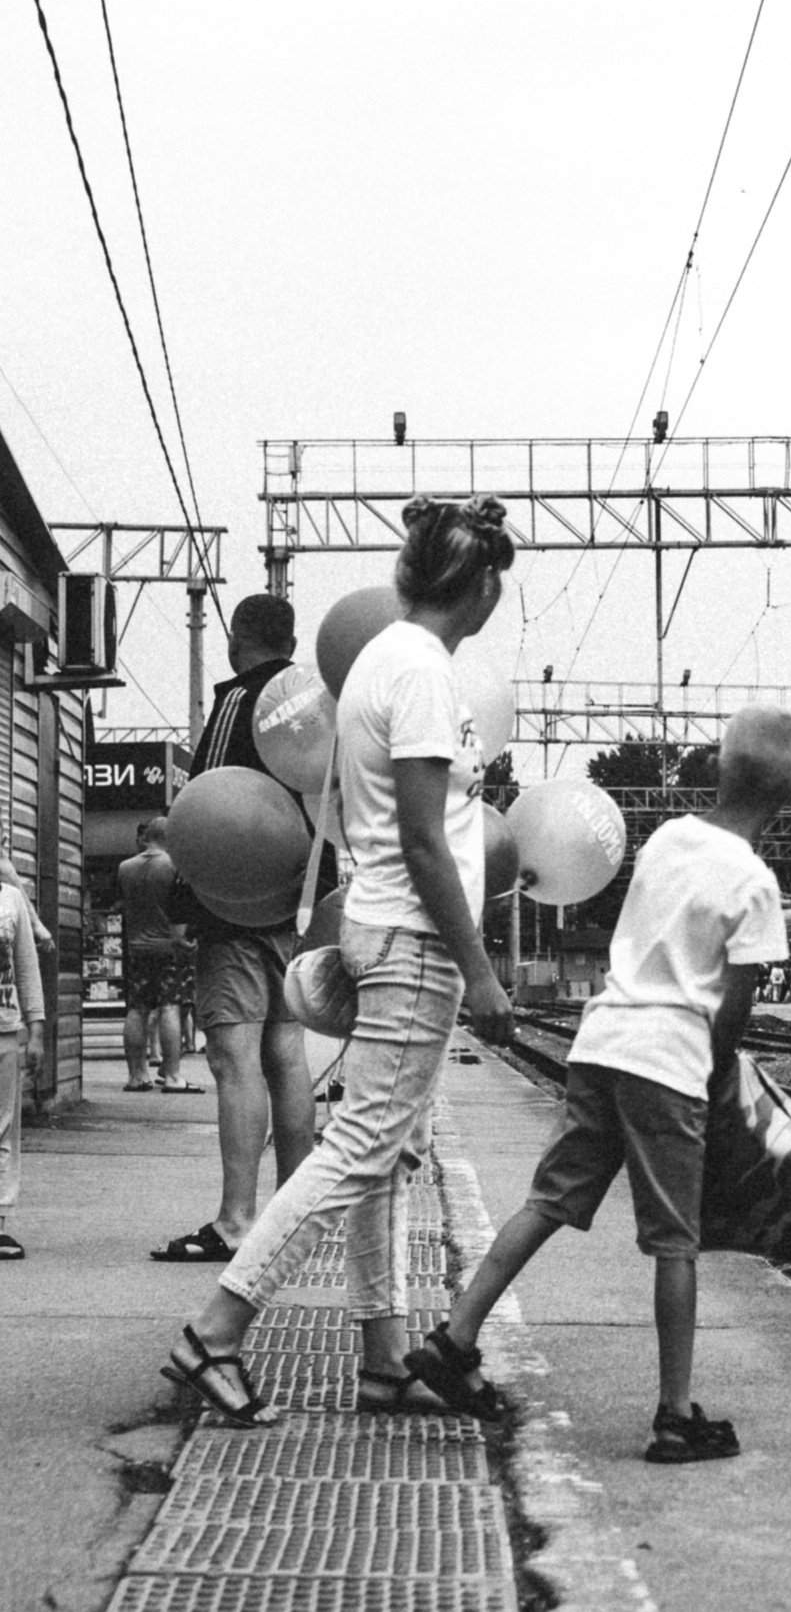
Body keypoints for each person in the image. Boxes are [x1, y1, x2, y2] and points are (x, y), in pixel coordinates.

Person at [161, 494, 515, 1428]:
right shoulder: (424, 671)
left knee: (385, 1153)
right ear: (479, 583)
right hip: (414, 938)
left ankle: (384, 1359)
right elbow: (427, 839)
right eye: (498, 581)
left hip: (384, 926)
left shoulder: (384, 660)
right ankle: (215, 1332)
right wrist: (479, 967)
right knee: (361, 1146)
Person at [414, 706, 791, 1462]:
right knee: (676, 1242)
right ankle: (675, 1416)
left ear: (718, 768)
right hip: (667, 1061)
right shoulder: (756, 882)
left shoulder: (668, 838)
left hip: (601, 1045)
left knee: (549, 1200)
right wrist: (714, 1072)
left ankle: (454, 1338)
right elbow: (734, 1006)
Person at [152, 594, 322, 1264]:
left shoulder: (239, 700)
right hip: (299, 901)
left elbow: (207, 803)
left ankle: (236, 1222)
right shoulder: (313, 705)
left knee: (233, 1057)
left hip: (236, 902)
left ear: (234, 640)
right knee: (287, 1051)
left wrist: (189, 899)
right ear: (292, 641)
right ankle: (295, 1216)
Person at [118, 819, 191, 1094]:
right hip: (169, 948)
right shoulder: (175, 866)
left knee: (137, 1009)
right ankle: (172, 1076)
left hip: (137, 948)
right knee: (170, 1007)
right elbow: (182, 908)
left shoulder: (125, 868)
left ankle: (136, 1076)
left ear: (147, 836)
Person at [0, 863, 48, 1259]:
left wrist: (37, 1032)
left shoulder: (11, 899)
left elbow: (28, 972)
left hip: (3, 1028)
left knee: (3, 1128)